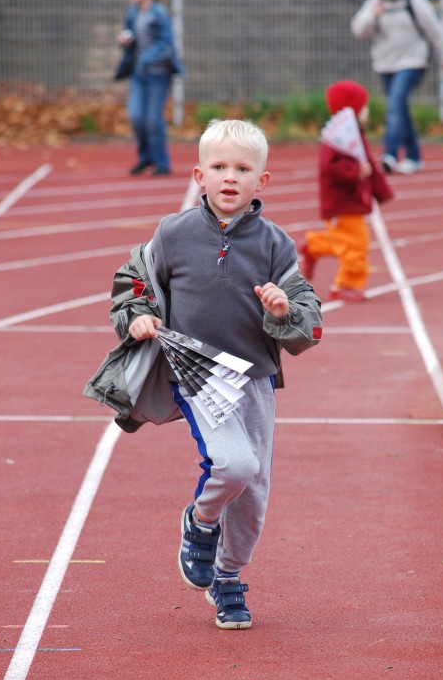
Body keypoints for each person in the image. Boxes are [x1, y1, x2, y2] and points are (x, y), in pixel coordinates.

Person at [110, 119, 322, 629]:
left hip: (254, 379)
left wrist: (279, 311)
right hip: (196, 375)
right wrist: (136, 316)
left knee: (253, 493)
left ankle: (228, 577)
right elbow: (133, 285)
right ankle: (200, 522)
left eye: (243, 169)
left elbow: (308, 322)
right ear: (200, 175)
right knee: (233, 465)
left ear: (261, 182)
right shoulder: (173, 233)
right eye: (220, 168)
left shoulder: (276, 245)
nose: (231, 177)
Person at [351, 0, 443, 174]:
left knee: (395, 103)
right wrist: (374, 14)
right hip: (385, 64)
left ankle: (389, 153)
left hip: (412, 62)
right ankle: (414, 156)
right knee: (399, 108)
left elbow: (435, 30)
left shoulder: (414, 0)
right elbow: (359, 30)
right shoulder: (375, 2)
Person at [300, 80, 393, 303]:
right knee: (357, 244)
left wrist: (381, 191)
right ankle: (347, 284)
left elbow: (369, 164)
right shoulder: (336, 140)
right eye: (364, 107)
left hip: (353, 200)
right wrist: (355, 171)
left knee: (345, 242)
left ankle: (314, 246)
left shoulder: (355, 136)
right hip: (341, 202)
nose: (367, 111)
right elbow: (329, 168)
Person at [117, 0, 183, 176]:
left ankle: (161, 162)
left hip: (158, 74)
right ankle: (145, 157)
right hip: (139, 73)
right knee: (136, 116)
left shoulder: (159, 13)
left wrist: (148, 58)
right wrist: (126, 43)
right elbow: (133, 42)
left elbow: (167, 43)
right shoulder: (133, 12)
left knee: (153, 119)